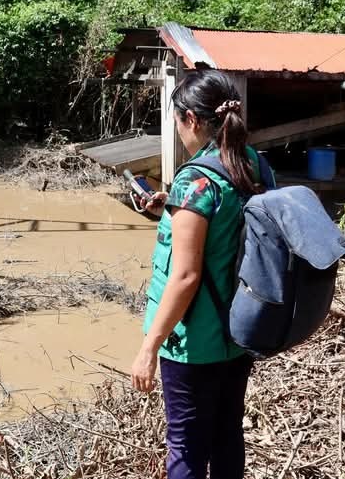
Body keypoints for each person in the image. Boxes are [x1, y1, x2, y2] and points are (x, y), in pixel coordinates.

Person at [131, 69, 271, 479]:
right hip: (241, 331)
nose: (179, 131)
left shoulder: (196, 181)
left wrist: (149, 347)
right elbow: (228, 230)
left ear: (191, 119)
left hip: (195, 343)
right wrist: (166, 208)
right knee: (227, 434)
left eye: (177, 121)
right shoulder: (254, 165)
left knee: (186, 447)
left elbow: (186, 276)